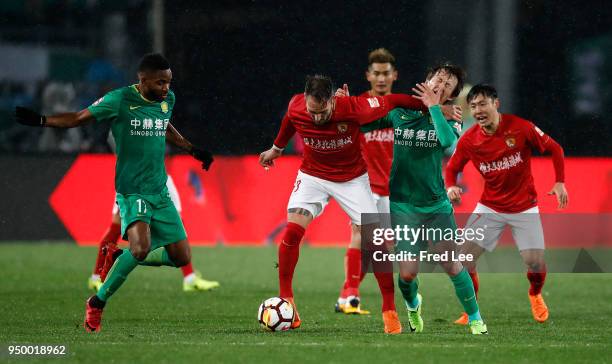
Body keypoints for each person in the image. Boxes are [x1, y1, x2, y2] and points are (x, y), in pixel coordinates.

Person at [15, 53, 214, 332]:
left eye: (168, 82)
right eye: (160, 83)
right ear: (142, 80)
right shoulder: (119, 100)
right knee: (141, 249)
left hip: (160, 190)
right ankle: (97, 302)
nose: (166, 89)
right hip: (133, 190)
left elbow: (164, 124)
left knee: (181, 257)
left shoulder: (167, 101)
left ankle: (121, 257)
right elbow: (79, 117)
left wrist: (193, 149)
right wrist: (41, 121)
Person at [259, 74, 460, 334]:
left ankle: (389, 309)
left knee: (376, 241)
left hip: (351, 179)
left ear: (333, 101)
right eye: (312, 112)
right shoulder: (298, 106)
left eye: (322, 112)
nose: (317, 118)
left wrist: (433, 107)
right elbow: (290, 120)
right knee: (292, 231)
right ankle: (288, 300)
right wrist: (277, 148)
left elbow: (393, 100)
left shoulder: (354, 108)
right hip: (313, 175)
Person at [360, 64, 488, 334]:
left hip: (435, 205)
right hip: (404, 204)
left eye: (447, 85)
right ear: (426, 80)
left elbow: (446, 143)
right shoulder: (400, 111)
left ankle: (475, 318)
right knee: (407, 275)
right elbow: (363, 124)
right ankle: (413, 303)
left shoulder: (450, 117)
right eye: (437, 79)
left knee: (452, 264)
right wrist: (346, 107)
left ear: (451, 95)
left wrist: (433, 108)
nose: (440, 85)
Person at [445, 84, 568, 325]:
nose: (478, 110)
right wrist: (451, 186)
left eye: (482, 104)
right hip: (490, 208)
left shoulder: (521, 127)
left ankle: (535, 293)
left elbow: (555, 148)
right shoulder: (470, 139)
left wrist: (560, 182)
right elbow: (452, 168)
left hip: (525, 207)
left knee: (535, 263)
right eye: (473, 106)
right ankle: (471, 310)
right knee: (462, 260)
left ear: (496, 104)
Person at [335, 48, 398, 315]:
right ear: (368, 75)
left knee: (382, 249)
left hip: (395, 190)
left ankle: (345, 296)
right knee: (360, 234)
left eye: (386, 73)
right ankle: (351, 295)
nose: (381, 78)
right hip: (364, 185)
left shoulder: (402, 107)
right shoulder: (357, 106)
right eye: (376, 73)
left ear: (394, 75)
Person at [88, 175, 220, 293]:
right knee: (117, 226)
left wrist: (191, 149)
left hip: (161, 177)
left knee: (177, 224)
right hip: (135, 180)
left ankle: (189, 278)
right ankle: (97, 278)